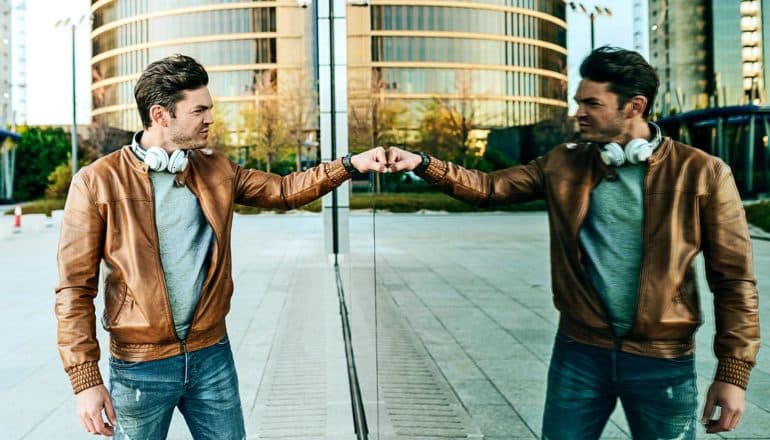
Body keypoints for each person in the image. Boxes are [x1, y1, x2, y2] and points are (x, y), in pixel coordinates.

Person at [385, 46, 759, 438]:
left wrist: (733, 374)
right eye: (578, 102)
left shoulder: (703, 173)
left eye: (591, 103)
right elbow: (489, 187)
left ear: (634, 106)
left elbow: (734, 281)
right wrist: (423, 164)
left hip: (662, 362)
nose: (578, 112)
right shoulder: (564, 163)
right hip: (579, 354)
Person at [55, 54, 386, 439]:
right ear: (161, 115)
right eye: (199, 110)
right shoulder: (96, 182)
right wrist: (85, 380)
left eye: (209, 109)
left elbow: (283, 190)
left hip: (212, 355)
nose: (210, 118)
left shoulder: (216, 168)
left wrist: (350, 164)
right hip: (139, 368)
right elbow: (74, 288)